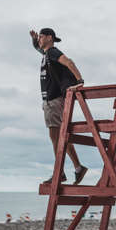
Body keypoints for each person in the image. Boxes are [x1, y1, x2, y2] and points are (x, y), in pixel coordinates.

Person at [30, 27, 88, 184]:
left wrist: (80, 81)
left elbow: (69, 62)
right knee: (60, 137)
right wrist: (35, 43)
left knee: (55, 137)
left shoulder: (53, 52)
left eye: (41, 37)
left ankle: (59, 173)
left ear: (50, 38)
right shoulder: (47, 54)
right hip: (53, 101)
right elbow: (41, 50)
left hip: (53, 101)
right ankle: (78, 168)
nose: (39, 39)